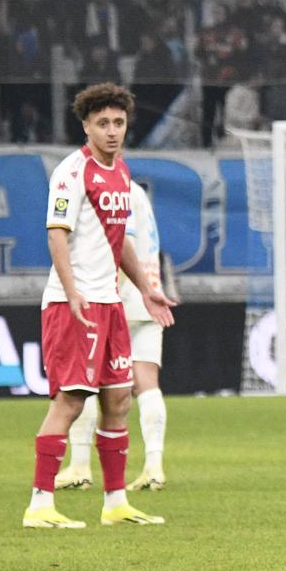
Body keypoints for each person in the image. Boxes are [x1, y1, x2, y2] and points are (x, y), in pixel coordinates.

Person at [23, 83, 176, 529]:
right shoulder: (72, 172)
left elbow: (120, 241)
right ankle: (39, 503)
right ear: (86, 125)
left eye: (119, 123)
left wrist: (147, 289)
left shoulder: (121, 173)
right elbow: (57, 233)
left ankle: (114, 502)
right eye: (103, 123)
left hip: (111, 304)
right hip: (76, 304)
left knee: (118, 400)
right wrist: (73, 292)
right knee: (71, 401)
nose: (112, 131)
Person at [55, 180, 175, 492]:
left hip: (117, 297)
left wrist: (102, 294)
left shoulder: (114, 190)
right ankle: (154, 466)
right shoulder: (138, 193)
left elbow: (121, 241)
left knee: (86, 381)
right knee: (147, 382)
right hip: (148, 293)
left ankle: (80, 466)